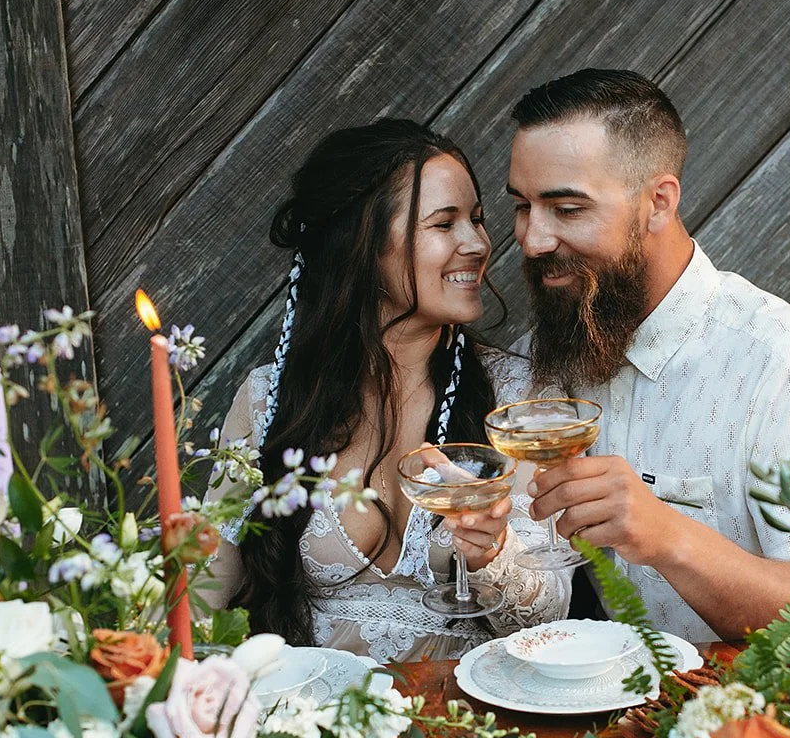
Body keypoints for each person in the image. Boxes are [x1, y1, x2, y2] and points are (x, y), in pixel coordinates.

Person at [505, 69, 790, 644]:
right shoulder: (545, 355)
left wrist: (668, 535)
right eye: (522, 206)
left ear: (658, 202)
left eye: (566, 209)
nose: (533, 239)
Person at [205, 121, 569, 662]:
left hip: (472, 728)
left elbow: (550, 615)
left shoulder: (515, 394)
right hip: (317, 724)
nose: (477, 244)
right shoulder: (268, 401)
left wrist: (494, 551)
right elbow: (203, 596)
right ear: (363, 244)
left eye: (476, 220)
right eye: (444, 223)